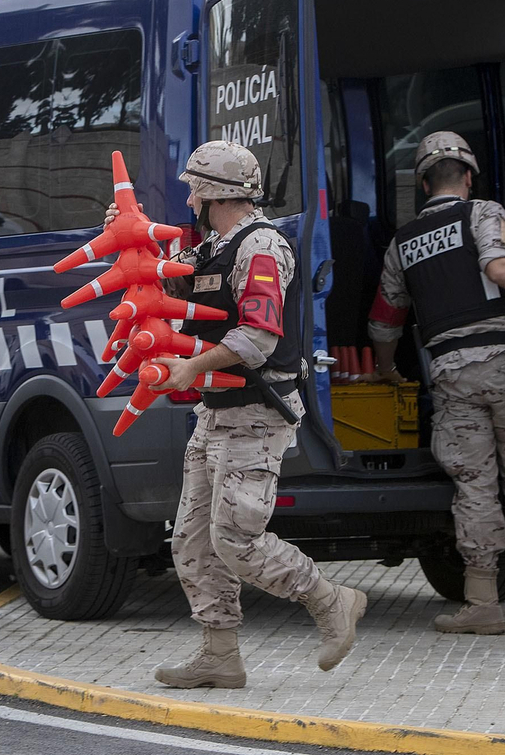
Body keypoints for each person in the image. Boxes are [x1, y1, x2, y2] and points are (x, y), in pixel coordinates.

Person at [118, 141, 365, 689]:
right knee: (191, 540)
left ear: (211, 193)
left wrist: (190, 366)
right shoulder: (215, 248)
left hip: (257, 414)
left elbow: (256, 336)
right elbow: (174, 295)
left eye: (192, 188)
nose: (186, 197)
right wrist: (126, 232)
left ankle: (331, 602)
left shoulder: (259, 249)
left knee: (237, 539)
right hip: (216, 415)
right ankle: (220, 653)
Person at [367, 131, 505, 636]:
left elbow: (384, 322)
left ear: (424, 182)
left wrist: (388, 368)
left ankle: (482, 603)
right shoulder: (482, 213)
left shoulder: (402, 242)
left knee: (475, 484)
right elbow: (499, 267)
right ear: (468, 177)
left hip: (451, 372)